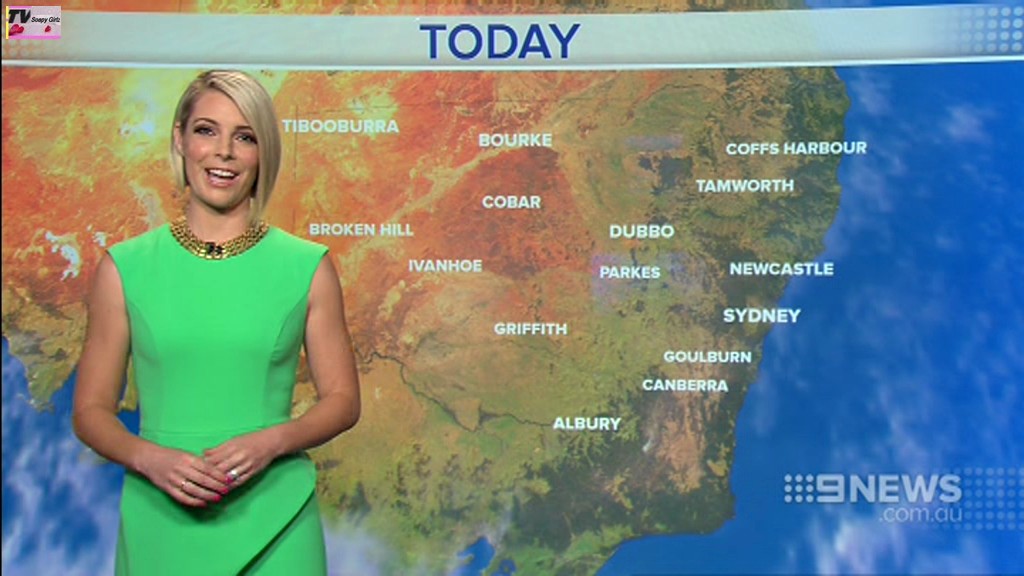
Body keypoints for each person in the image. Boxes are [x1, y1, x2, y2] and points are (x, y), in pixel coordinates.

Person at [72, 70, 361, 575]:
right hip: (160, 517)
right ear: (181, 140)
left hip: (276, 520)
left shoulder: (307, 267)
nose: (224, 152)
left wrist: (271, 442)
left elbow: (342, 401)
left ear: (263, 153)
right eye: (207, 131)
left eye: (244, 137)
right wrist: (150, 458)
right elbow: (91, 411)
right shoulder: (125, 268)